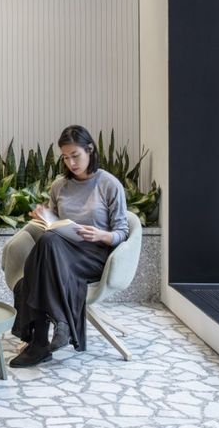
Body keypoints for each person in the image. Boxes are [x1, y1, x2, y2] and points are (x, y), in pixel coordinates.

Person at [9, 124, 129, 368]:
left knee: (43, 253)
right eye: (66, 157)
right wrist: (45, 218)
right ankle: (52, 332)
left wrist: (101, 235)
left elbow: (122, 232)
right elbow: (55, 225)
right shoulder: (59, 186)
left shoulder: (109, 184)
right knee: (49, 240)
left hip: (93, 256)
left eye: (76, 155)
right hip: (59, 252)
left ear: (90, 150)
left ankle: (40, 341)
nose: (71, 163)